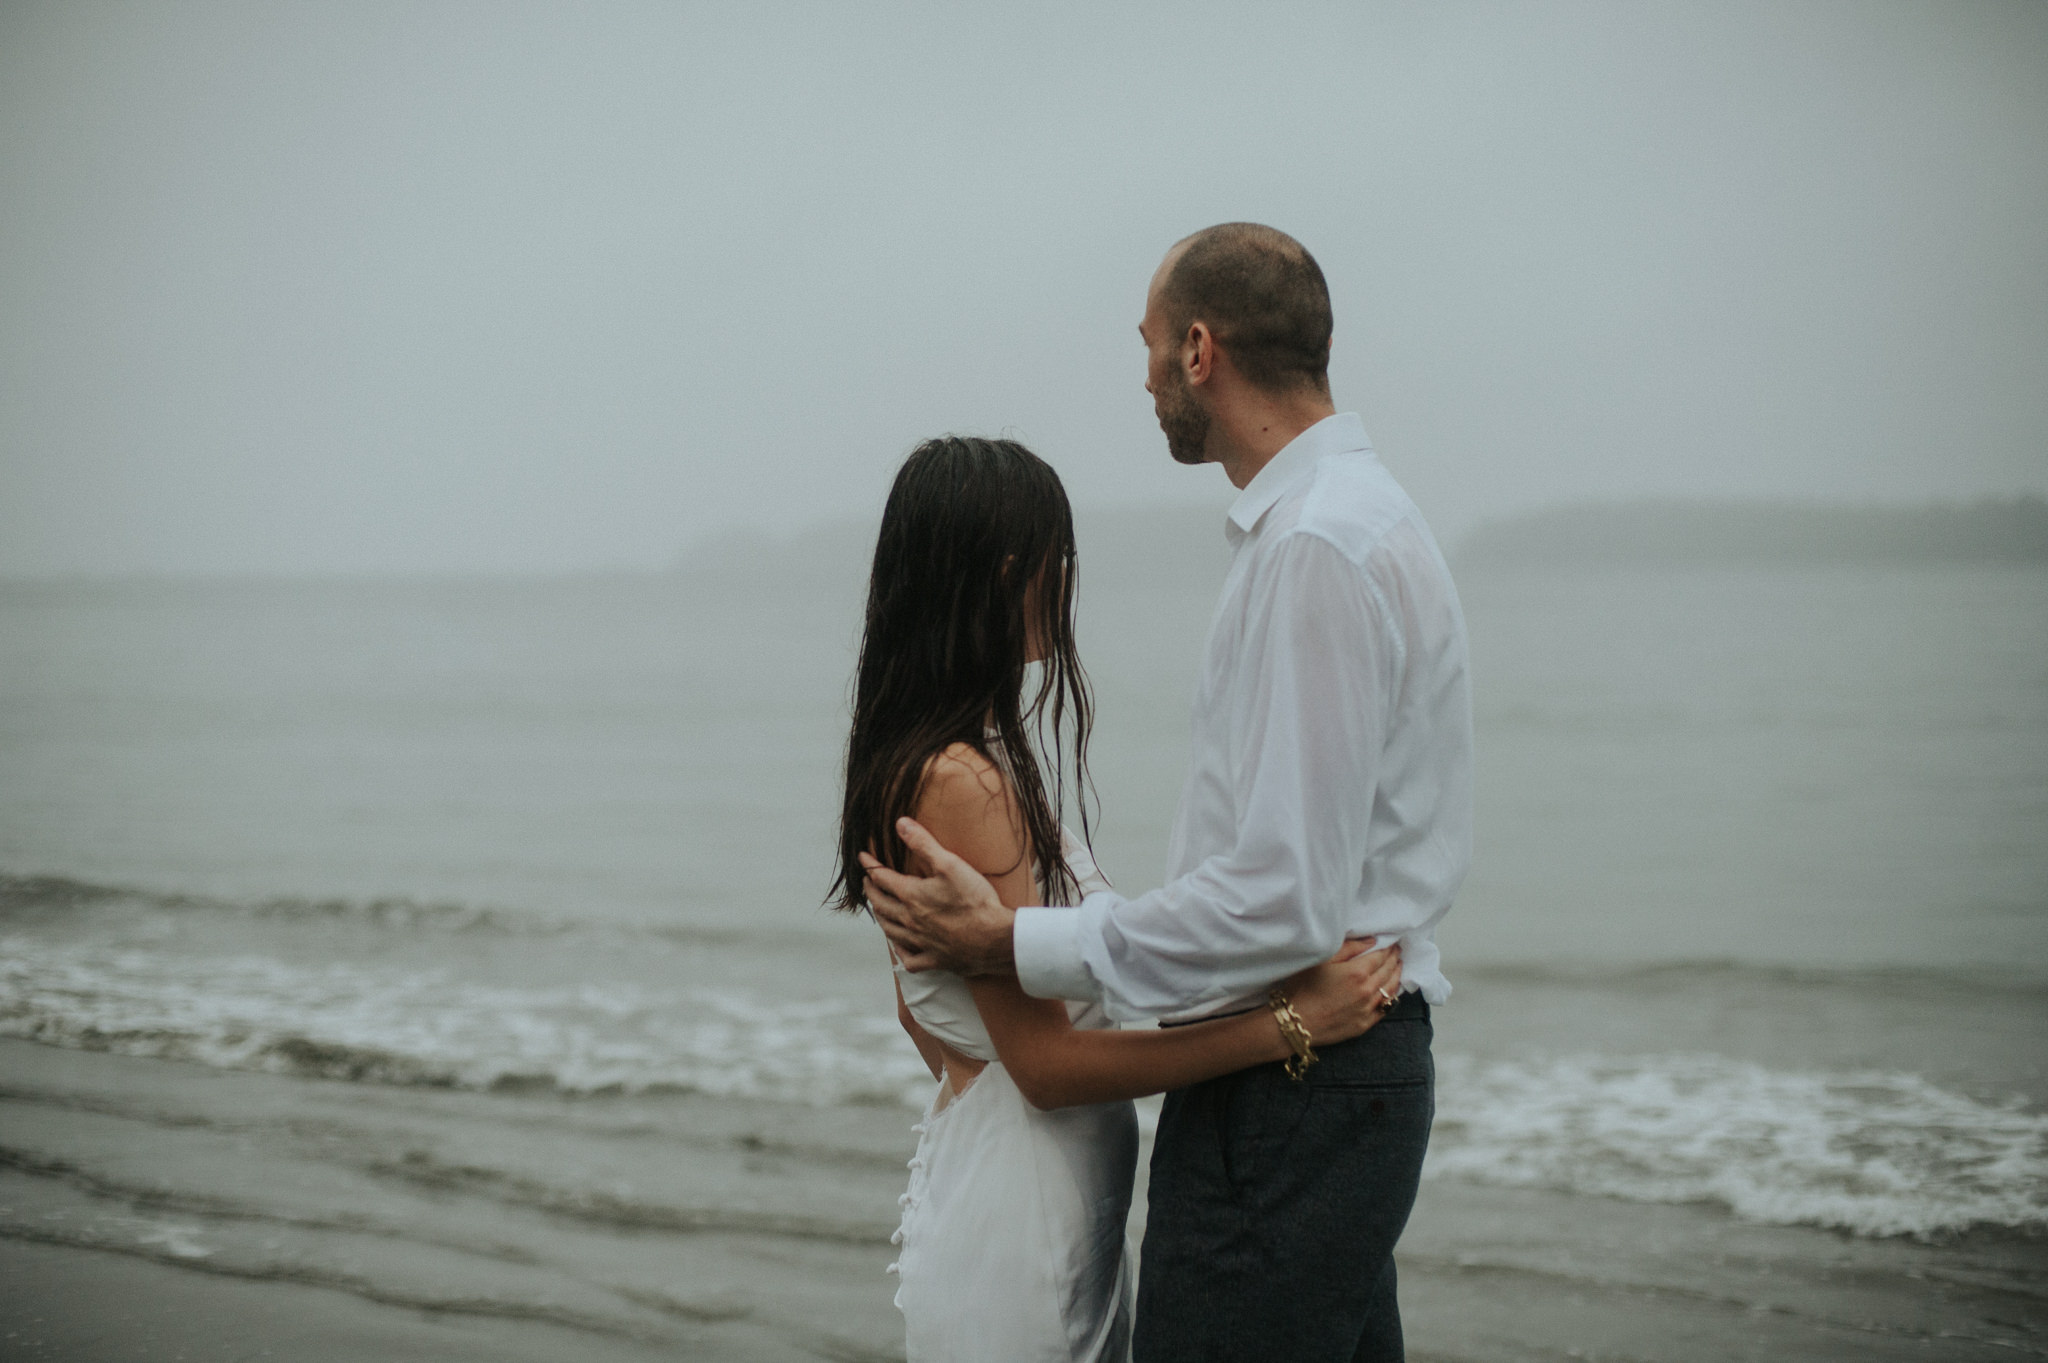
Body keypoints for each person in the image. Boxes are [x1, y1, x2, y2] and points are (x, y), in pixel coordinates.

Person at [863, 224, 1474, 1362]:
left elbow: (1285, 899)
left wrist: (1016, 945)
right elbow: (965, 1031)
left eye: (1147, 347)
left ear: (1199, 351)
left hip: (1299, 1086)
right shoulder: (1344, 525)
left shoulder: (1313, 551)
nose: (1140, 377)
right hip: (1302, 1070)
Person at [833, 433, 1405, 1362]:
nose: (1070, 582)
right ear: (1012, 572)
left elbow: (920, 1016)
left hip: (1024, 1201)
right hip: (1024, 1242)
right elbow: (1050, 1067)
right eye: (1062, 560)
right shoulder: (961, 780)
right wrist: (1292, 1025)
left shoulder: (943, 757)